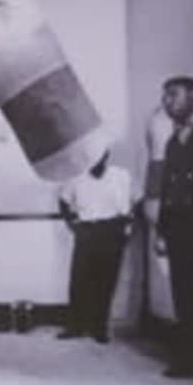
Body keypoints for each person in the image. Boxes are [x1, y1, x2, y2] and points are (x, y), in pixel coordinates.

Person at [149, 74, 193, 381]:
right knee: (185, 298)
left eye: (172, 94)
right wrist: (161, 231)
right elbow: (167, 188)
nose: (166, 101)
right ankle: (192, 359)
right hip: (179, 231)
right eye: (164, 96)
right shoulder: (174, 141)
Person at [56, 141, 135, 342]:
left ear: (106, 155)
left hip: (112, 231)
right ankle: (75, 326)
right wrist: (73, 225)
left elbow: (134, 203)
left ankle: (99, 328)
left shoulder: (121, 175)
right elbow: (64, 201)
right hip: (87, 231)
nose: (95, 161)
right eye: (90, 156)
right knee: (79, 281)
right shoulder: (76, 178)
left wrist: (126, 230)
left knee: (106, 282)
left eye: (99, 156)